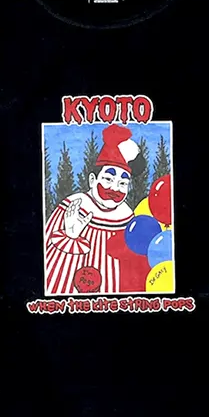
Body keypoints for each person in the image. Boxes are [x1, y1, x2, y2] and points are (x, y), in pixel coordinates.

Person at [44, 123, 138, 294]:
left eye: (123, 183)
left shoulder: (128, 219)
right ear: (92, 180)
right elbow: (46, 265)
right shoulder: (73, 206)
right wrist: (70, 236)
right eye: (108, 179)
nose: (115, 189)